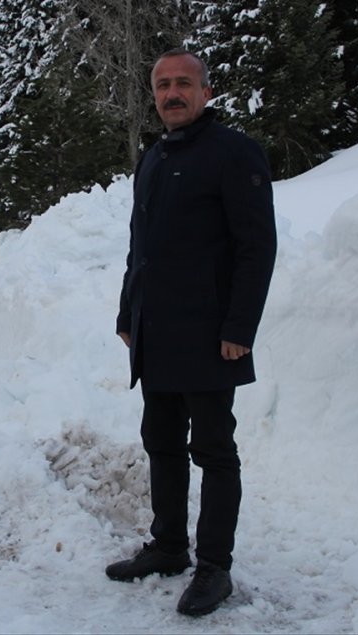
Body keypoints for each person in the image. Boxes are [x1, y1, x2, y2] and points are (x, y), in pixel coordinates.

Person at [108, 49, 277, 617]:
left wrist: (239, 327)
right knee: (161, 443)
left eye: (184, 83)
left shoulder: (233, 153)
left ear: (206, 92)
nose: (172, 93)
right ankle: (168, 546)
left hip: (210, 335)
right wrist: (127, 314)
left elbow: (257, 247)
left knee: (212, 450)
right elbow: (141, 249)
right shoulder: (153, 158)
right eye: (162, 85)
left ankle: (214, 567)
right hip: (156, 332)